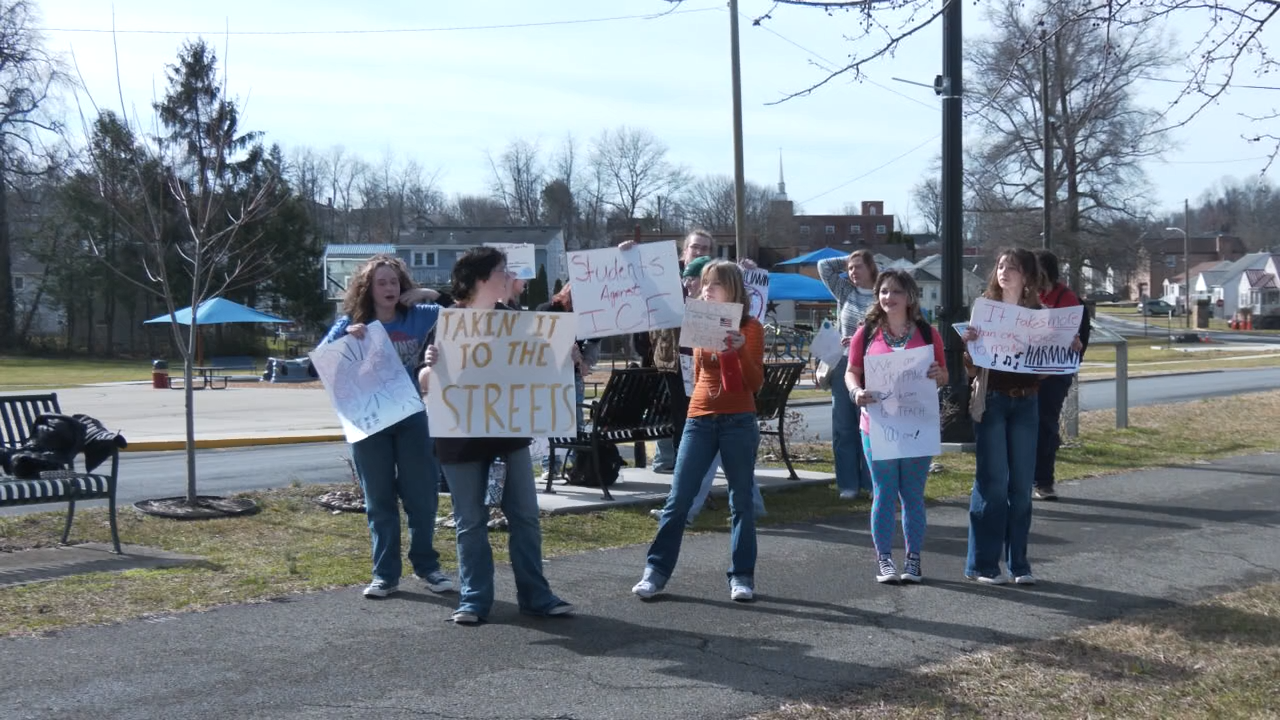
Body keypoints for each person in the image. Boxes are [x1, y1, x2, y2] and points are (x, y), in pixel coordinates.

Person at [421, 246, 573, 624]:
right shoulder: (449, 322)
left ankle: (536, 596)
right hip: (460, 439)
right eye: (504, 271)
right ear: (482, 278)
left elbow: (543, 369)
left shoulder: (516, 322)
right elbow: (423, 384)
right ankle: (474, 600)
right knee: (470, 521)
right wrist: (430, 368)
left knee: (525, 517)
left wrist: (566, 356)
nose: (510, 277)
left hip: (508, 435)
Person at [317, 254, 454, 599]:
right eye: (382, 282)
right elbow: (321, 360)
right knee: (379, 500)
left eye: (394, 281)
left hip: (410, 418)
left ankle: (428, 567)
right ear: (368, 288)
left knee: (422, 496)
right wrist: (345, 338)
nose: (390, 287)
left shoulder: (417, 316)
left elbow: (463, 313)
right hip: (368, 422)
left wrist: (429, 293)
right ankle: (385, 575)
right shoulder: (351, 320)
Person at [632, 260, 766, 602]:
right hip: (700, 418)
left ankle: (742, 577)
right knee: (678, 500)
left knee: (741, 502)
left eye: (715, 284)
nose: (706, 289)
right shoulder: (697, 321)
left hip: (738, 420)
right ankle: (655, 572)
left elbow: (754, 383)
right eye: (704, 283)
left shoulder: (750, 327)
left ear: (732, 289)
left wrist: (738, 351)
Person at [961, 248, 1071, 586]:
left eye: (1013, 267)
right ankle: (984, 565)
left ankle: (1019, 564)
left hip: (1026, 403)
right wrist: (969, 348)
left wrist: (1068, 347)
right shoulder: (984, 311)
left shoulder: (1040, 314)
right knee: (992, 484)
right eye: (1001, 266)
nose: (1004, 272)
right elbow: (971, 369)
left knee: (1021, 487)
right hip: (993, 400)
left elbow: (1047, 367)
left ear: (1027, 276)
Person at [845, 269, 948, 584]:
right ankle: (885, 560)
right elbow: (851, 371)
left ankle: (913, 559)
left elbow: (943, 375)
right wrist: (855, 392)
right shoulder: (866, 332)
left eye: (896, 292)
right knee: (884, 492)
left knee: (913, 494)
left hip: (917, 425)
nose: (889, 297)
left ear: (910, 296)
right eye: (884, 291)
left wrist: (939, 376)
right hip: (877, 425)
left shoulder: (928, 334)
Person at [647, 230, 715, 473]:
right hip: (672, 358)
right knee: (677, 414)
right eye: (695, 247)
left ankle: (691, 464)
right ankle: (675, 464)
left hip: (703, 359)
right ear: (684, 250)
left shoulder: (713, 279)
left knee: (696, 415)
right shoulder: (665, 275)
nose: (699, 252)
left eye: (705, 248)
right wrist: (629, 254)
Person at [817, 249, 878, 500]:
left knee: (870, 427)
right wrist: (850, 257)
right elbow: (823, 266)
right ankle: (848, 484)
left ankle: (871, 482)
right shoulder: (845, 291)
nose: (853, 272)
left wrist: (863, 338)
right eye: (850, 268)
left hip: (873, 366)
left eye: (858, 267)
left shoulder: (882, 293)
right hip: (844, 365)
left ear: (871, 268)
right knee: (843, 426)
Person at [1032, 249, 1090, 501]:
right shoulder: (1024, 296)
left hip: (1054, 375)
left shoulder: (1067, 299)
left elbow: (1076, 338)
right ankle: (1015, 478)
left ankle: (1043, 481)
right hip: (1024, 372)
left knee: (1045, 424)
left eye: (1038, 273)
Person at [535, 283, 597, 483]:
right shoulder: (547, 310)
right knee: (550, 419)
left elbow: (588, 359)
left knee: (575, 421)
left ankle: (577, 465)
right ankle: (550, 466)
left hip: (572, 374)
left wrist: (581, 359)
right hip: (548, 374)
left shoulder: (590, 318)